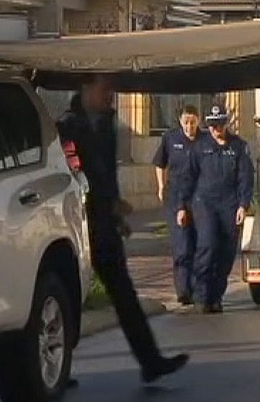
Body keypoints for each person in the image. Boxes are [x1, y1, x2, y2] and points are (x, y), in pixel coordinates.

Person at [56, 75, 189, 383]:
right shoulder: (67, 126)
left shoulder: (106, 124)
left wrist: (115, 213)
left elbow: (106, 174)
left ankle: (150, 361)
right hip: (75, 222)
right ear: (86, 89)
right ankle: (58, 370)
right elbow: (72, 174)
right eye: (105, 90)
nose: (110, 97)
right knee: (67, 297)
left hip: (104, 223)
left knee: (125, 295)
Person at [177, 104, 255, 314]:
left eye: (218, 125)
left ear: (226, 124)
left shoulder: (238, 147)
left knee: (226, 252)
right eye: (211, 126)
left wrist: (243, 205)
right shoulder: (200, 147)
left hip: (229, 204)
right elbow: (187, 177)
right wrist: (182, 206)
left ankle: (216, 296)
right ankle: (202, 296)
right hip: (205, 203)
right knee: (208, 246)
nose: (215, 130)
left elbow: (246, 178)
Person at [153, 105, 203, 305]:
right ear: (180, 121)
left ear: (198, 121)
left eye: (192, 122)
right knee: (182, 245)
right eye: (186, 122)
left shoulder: (205, 140)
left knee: (199, 244)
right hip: (175, 197)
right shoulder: (170, 139)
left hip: (199, 199)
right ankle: (183, 291)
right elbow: (159, 163)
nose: (189, 126)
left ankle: (198, 287)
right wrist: (160, 185)